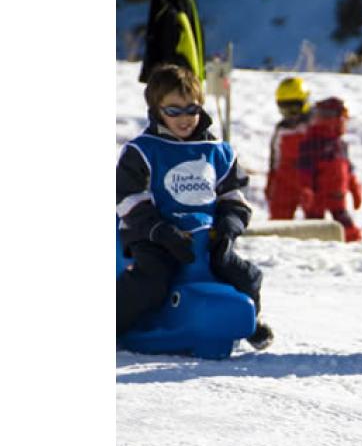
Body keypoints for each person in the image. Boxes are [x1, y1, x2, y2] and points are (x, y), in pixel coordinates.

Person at [117, 64, 273, 350]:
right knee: (153, 278)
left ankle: (252, 318)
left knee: (243, 274)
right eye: (173, 110)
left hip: (206, 234)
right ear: (156, 109)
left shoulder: (218, 152)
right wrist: (160, 230)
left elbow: (233, 196)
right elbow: (127, 197)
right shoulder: (142, 150)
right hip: (154, 235)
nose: (185, 118)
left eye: (192, 109)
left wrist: (229, 226)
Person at [304, 97, 362, 242]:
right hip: (317, 197)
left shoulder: (340, 144)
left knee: (345, 226)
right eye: (344, 119)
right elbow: (304, 171)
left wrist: (355, 190)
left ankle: (354, 246)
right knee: (314, 230)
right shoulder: (312, 142)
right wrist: (306, 191)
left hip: (337, 197)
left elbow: (348, 171)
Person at [265, 77, 315, 221]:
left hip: (309, 178)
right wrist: (271, 180)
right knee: (279, 215)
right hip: (285, 179)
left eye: (294, 109)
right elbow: (275, 157)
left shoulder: (314, 126)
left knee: (314, 215)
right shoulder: (282, 129)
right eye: (284, 110)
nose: (291, 115)